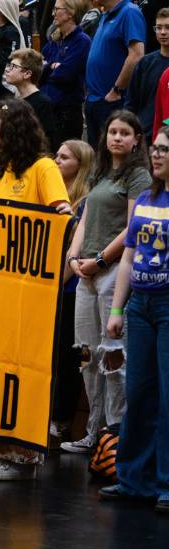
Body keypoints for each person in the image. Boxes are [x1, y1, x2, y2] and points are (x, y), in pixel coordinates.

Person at [0, 98, 70, 480]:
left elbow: (62, 216)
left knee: (22, 371)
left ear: (14, 127)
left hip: (30, 294)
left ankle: (22, 458)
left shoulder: (43, 168)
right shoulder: (0, 171)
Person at [65, 110, 153, 454]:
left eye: (124, 133)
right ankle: (92, 433)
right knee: (87, 354)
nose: (117, 137)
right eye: (113, 131)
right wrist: (73, 256)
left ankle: (115, 436)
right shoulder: (101, 172)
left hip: (113, 270)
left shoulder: (139, 175)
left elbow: (133, 228)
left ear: (136, 140)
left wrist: (100, 259)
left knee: (114, 356)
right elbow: (84, 217)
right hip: (85, 271)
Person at [101, 125, 169, 510]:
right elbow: (128, 256)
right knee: (139, 391)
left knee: (167, 394)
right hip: (140, 305)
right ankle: (133, 480)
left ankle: (166, 483)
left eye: (164, 150)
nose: (156, 155)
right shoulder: (145, 198)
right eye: (155, 149)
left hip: (167, 305)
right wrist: (117, 308)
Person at [50, 139, 94, 439]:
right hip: (45, 283)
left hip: (69, 286)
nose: (56, 160)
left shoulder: (85, 202)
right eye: (57, 155)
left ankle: (63, 418)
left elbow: (73, 251)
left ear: (81, 164)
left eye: (64, 157)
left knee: (67, 355)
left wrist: (57, 284)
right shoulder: (51, 193)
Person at [85, 0, 146, 147]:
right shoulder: (105, 14)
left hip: (113, 101)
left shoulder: (130, 12)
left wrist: (117, 90)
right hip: (94, 99)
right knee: (96, 156)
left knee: (112, 156)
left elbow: (136, 55)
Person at [41, 0, 91, 146]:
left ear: (71, 13)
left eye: (57, 9)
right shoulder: (54, 40)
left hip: (67, 112)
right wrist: (52, 66)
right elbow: (37, 69)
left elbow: (65, 74)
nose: (53, 13)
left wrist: (48, 68)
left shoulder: (81, 41)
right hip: (48, 109)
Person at [129, 8, 169, 143]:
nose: (163, 32)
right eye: (159, 27)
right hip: (144, 135)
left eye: (168, 27)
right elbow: (131, 101)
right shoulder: (145, 63)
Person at [5, 49, 57, 149]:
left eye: (13, 66)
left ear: (27, 74)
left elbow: (48, 141)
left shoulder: (42, 103)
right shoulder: (14, 100)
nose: (7, 69)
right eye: (9, 65)